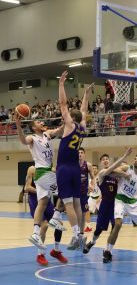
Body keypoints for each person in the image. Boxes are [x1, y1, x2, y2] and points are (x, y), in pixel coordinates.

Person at [49, 71, 94, 251]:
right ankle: (80, 234)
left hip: (65, 169)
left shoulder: (70, 125)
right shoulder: (82, 127)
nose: (63, 116)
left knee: (67, 203)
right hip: (76, 169)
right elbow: (84, 111)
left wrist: (61, 84)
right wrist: (86, 95)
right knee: (76, 202)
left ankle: (75, 235)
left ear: (70, 118)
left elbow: (62, 103)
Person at [15, 114, 64, 249]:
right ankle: (55, 218)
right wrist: (18, 125)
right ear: (33, 127)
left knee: (42, 203)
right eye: (38, 121)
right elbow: (24, 140)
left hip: (45, 172)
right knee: (65, 192)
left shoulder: (47, 134)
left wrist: (67, 122)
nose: (42, 122)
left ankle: (35, 233)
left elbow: (58, 131)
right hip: (42, 171)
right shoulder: (33, 138)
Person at [83, 150, 132, 255]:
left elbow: (126, 167)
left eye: (107, 159)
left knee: (115, 227)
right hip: (105, 204)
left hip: (116, 204)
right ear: (101, 162)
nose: (105, 161)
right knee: (99, 230)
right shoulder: (101, 174)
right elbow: (114, 169)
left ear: (109, 161)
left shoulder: (115, 175)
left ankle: (107, 249)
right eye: (103, 160)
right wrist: (124, 158)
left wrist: (124, 169)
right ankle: (92, 242)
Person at [25, 165, 68, 265]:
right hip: (35, 200)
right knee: (44, 225)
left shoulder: (51, 170)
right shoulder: (32, 169)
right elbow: (27, 187)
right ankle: (40, 255)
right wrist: (40, 191)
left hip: (47, 201)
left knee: (59, 224)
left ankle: (56, 251)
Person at [67, 147, 95, 249]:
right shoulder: (73, 165)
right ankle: (76, 235)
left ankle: (80, 235)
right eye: (78, 153)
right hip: (74, 193)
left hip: (83, 194)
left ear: (84, 154)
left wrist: (92, 185)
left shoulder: (88, 165)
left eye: (81, 153)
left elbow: (93, 177)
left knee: (83, 214)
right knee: (75, 215)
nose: (80, 154)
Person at [84, 164, 101, 232]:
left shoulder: (100, 178)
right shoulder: (89, 180)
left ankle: (113, 224)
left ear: (97, 170)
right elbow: (88, 190)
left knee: (105, 213)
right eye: (92, 168)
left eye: (95, 168)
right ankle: (88, 226)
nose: (94, 170)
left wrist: (100, 197)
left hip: (100, 198)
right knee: (86, 210)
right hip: (92, 197)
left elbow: (103, 189)